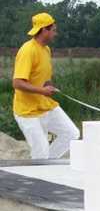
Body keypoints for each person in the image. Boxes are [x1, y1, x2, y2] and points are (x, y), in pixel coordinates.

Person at [12, 12, 80, 159]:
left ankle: (46, 163)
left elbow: (41, 77)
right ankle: (41, 168)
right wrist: (42, 90)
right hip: (27, 112)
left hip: (45, 105)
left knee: (72, 133)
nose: (56, 33)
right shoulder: (28, 50)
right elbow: (17, 83)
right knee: (41, 152)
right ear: (44, 30)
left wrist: (48, 85)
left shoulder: (46, 49)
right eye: (54, 30)